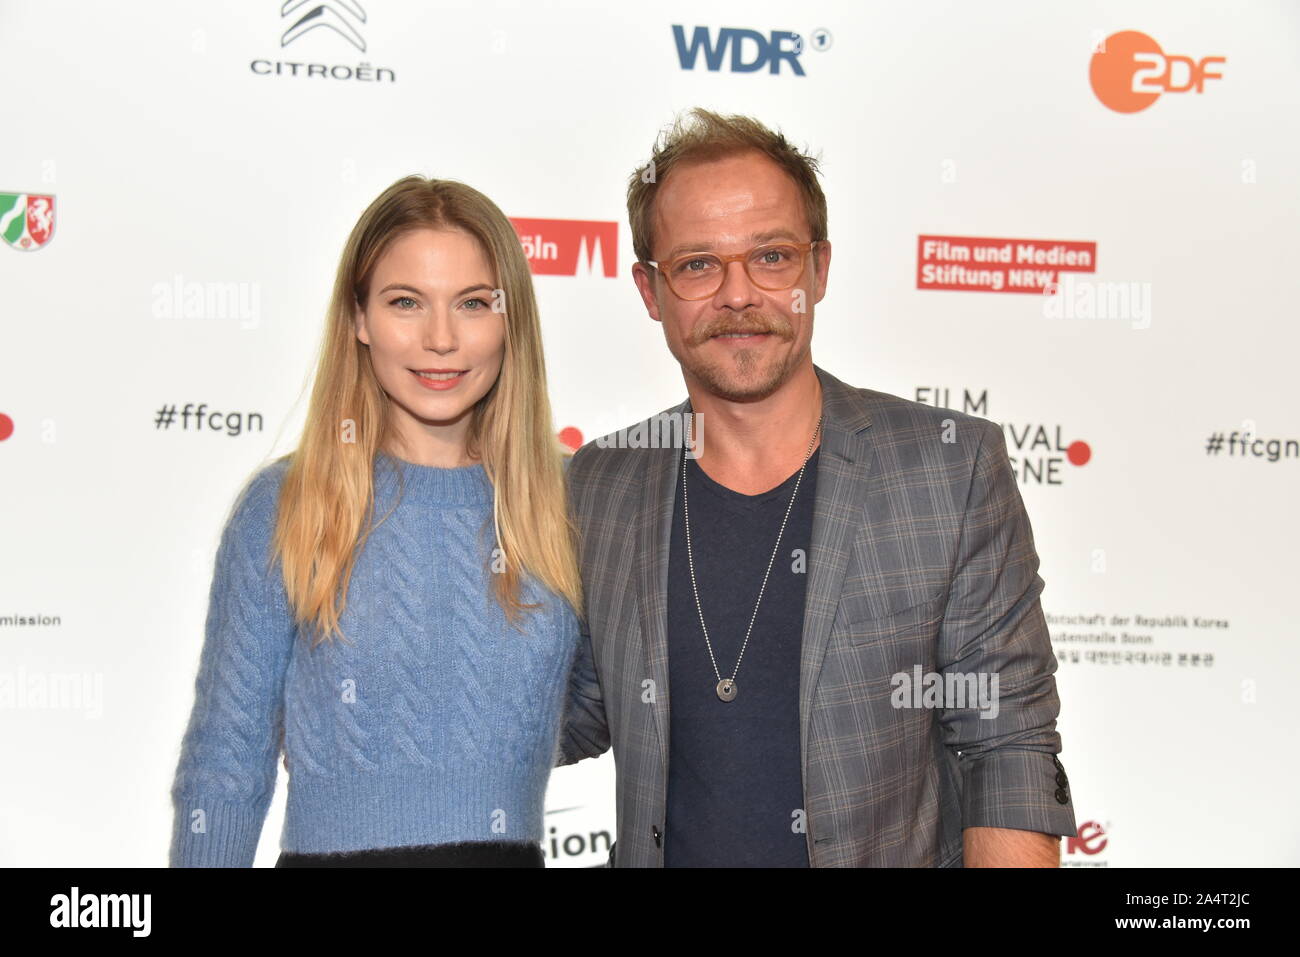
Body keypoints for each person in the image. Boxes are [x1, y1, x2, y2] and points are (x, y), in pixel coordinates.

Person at [558, 109, 1076, 867]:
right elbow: (572, 711)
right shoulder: (599, 483)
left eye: (771, 256)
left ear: (819, 269)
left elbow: (1008, 750)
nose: (738, 294)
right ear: (649, 289)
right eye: (698, 264)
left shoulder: (948, 468)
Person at [169, 175, 582, 867]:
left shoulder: (571, 499)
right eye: (405, 303)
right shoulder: (285, 505)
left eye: (474, 303)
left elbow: (614, 703)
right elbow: (225, 761)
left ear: (511, 319)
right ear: (358, 317)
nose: (441, 338)